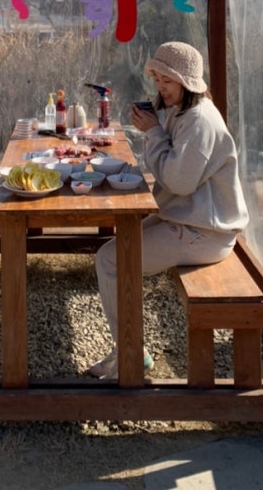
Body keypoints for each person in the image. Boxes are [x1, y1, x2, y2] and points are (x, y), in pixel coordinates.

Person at [88, 41, 249, 379]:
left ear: (187, 82)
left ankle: (131, 353)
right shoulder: (182, 111)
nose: (161, 88)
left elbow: (178, 182)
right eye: (158, 79)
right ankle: (127, 346)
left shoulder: (199, 121)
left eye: (168, 81)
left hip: (205, 232)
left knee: (110, 260)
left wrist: (153, 133)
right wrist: (155, 129)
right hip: (188, 218)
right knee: (112, 251)